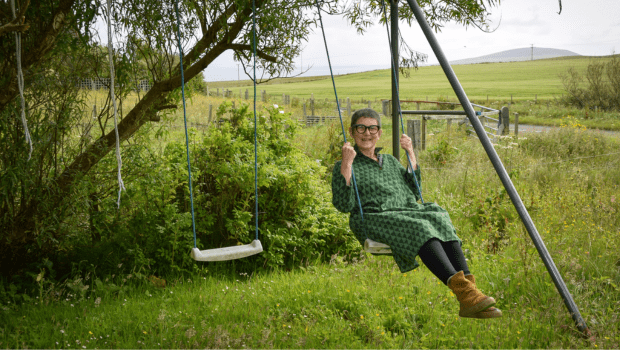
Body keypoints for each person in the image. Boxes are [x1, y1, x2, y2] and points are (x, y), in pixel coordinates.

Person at [331, 108, 501, 319]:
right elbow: (342, 204)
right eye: (361, 128)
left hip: (406, 211)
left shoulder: (391, 161)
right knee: (419, 226)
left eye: (372, 128)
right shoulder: (345, 164)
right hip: (374, 217)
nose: (367, 133)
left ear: (379, 133)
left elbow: (414, 189)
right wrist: (347, 162)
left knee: (437, 214)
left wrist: (410, 152)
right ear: (352, 131)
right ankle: (466, 293)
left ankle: (471, 293)